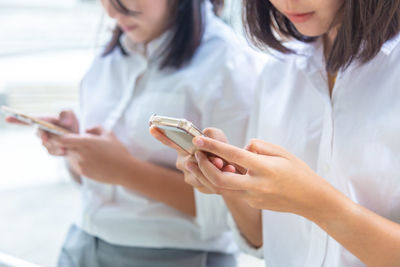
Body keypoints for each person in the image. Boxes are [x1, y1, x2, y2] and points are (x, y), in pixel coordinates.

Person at [6, 0, 264, 266]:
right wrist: (76, 146)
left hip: (175, 255)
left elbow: (233, 209)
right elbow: (93, 180)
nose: (111, 11)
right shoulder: (113, 54)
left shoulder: (230, 65)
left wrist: (124, 170)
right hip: (81, 243)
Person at [152, 0, 400, 266]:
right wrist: (229, 183)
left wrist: (314, 202)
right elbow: (261, 237)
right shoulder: (277, 72)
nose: (287, 2)